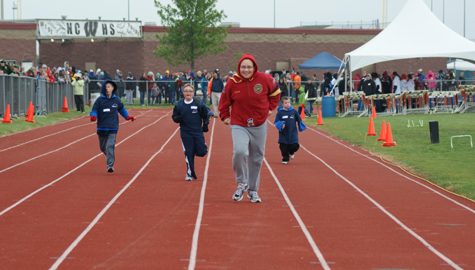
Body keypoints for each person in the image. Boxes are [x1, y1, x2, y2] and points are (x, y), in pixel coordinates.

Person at [218, 53, 280, 203]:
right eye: (243, 67)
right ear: (239, 68)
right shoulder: (232, 83)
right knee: (239, 151)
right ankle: (242, 182)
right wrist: (224, 115)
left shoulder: (264, 79)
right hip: (239, 123)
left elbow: (276, 92)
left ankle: (253, 190)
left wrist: (270, 107)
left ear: (254, 68)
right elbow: (224, 101)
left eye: (249, 67)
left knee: (257, 158)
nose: (246, 70)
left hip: (259, 124)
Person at [90, 79, 135, 173]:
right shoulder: (99, 100)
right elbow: (94, 110)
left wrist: (127, 116)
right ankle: (110, 155)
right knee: (103, 148)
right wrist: (93, 116)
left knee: (110, 145)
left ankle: (110, 165)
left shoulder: (117, 100)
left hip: (113, 127)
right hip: (101, 127)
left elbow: (122, 109)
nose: (107, 89)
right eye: (106, 87)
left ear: (113, 88)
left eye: (109, 87)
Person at [172, 83, 212, 181]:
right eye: (186, 91)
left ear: (193, 92)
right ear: (183, 92)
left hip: (197, 131)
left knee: (202, 151)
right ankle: (189, 173)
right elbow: (174, 116)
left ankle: (195, 149)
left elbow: (207, 113)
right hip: (185, 133)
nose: (188, 93)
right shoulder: (179, 104)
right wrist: (177, 118)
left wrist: (205, 124)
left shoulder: (198, 103)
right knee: (188, 153)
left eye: (190, 91)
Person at [274, 96, 306, 164]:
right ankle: (285, 158)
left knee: (295, 145)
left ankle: (291, 152)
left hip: (292, 132)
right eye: (285, 103)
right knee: (283, 147)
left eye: (288, 102)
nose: (288, 104)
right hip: (283, 133)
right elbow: (276, 122)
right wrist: (280, 124)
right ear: (282, 104)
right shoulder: (280, 113)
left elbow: (299, 119)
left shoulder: (293, 111)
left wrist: (301, 126)